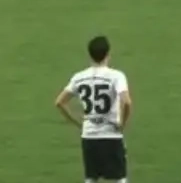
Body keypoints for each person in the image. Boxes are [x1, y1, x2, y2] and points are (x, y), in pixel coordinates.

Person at [54, 35, 133, 183]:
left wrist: (78, 123)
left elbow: (60, 102)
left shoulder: (79, 77)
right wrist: (122, 124)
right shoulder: (116, 76)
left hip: (89, 136)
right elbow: (127, 102)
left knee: (91, 179)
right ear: (108, 54)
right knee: (120, 179)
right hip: (111, 135)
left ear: (89, 55)